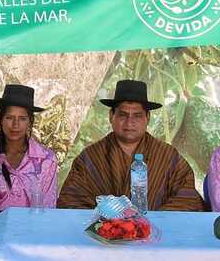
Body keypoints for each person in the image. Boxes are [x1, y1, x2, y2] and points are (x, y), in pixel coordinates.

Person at [57, 80, 204, 211]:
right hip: (104, 236)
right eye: (122, 115)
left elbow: (188, 198)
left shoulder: (167, 156)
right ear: (111, 116)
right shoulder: (90, 157)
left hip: (156, 236)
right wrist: (110, 221)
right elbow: (71, 200)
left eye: (137, 116)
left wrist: (151, 221)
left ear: (148, 118)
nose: (129, 122)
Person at [0, 84, 57, 212]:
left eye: (22, 118)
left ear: (30, 122)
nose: (15, 125)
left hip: (33, 229)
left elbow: (49, 208)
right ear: (0, 120)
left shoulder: (47, 160)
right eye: (9, 117)